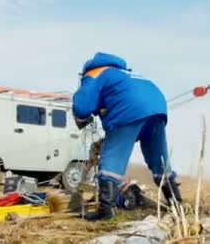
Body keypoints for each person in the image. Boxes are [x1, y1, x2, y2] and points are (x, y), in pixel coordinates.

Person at [72, 52, 182, 221]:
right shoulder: (127, 74)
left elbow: (82, 105)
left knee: (112, 160)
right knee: (160, 160)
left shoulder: (95, 72)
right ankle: (177, 205)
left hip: (127, 111)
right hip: (157, 110)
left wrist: (80, 118)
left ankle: (106, 212)